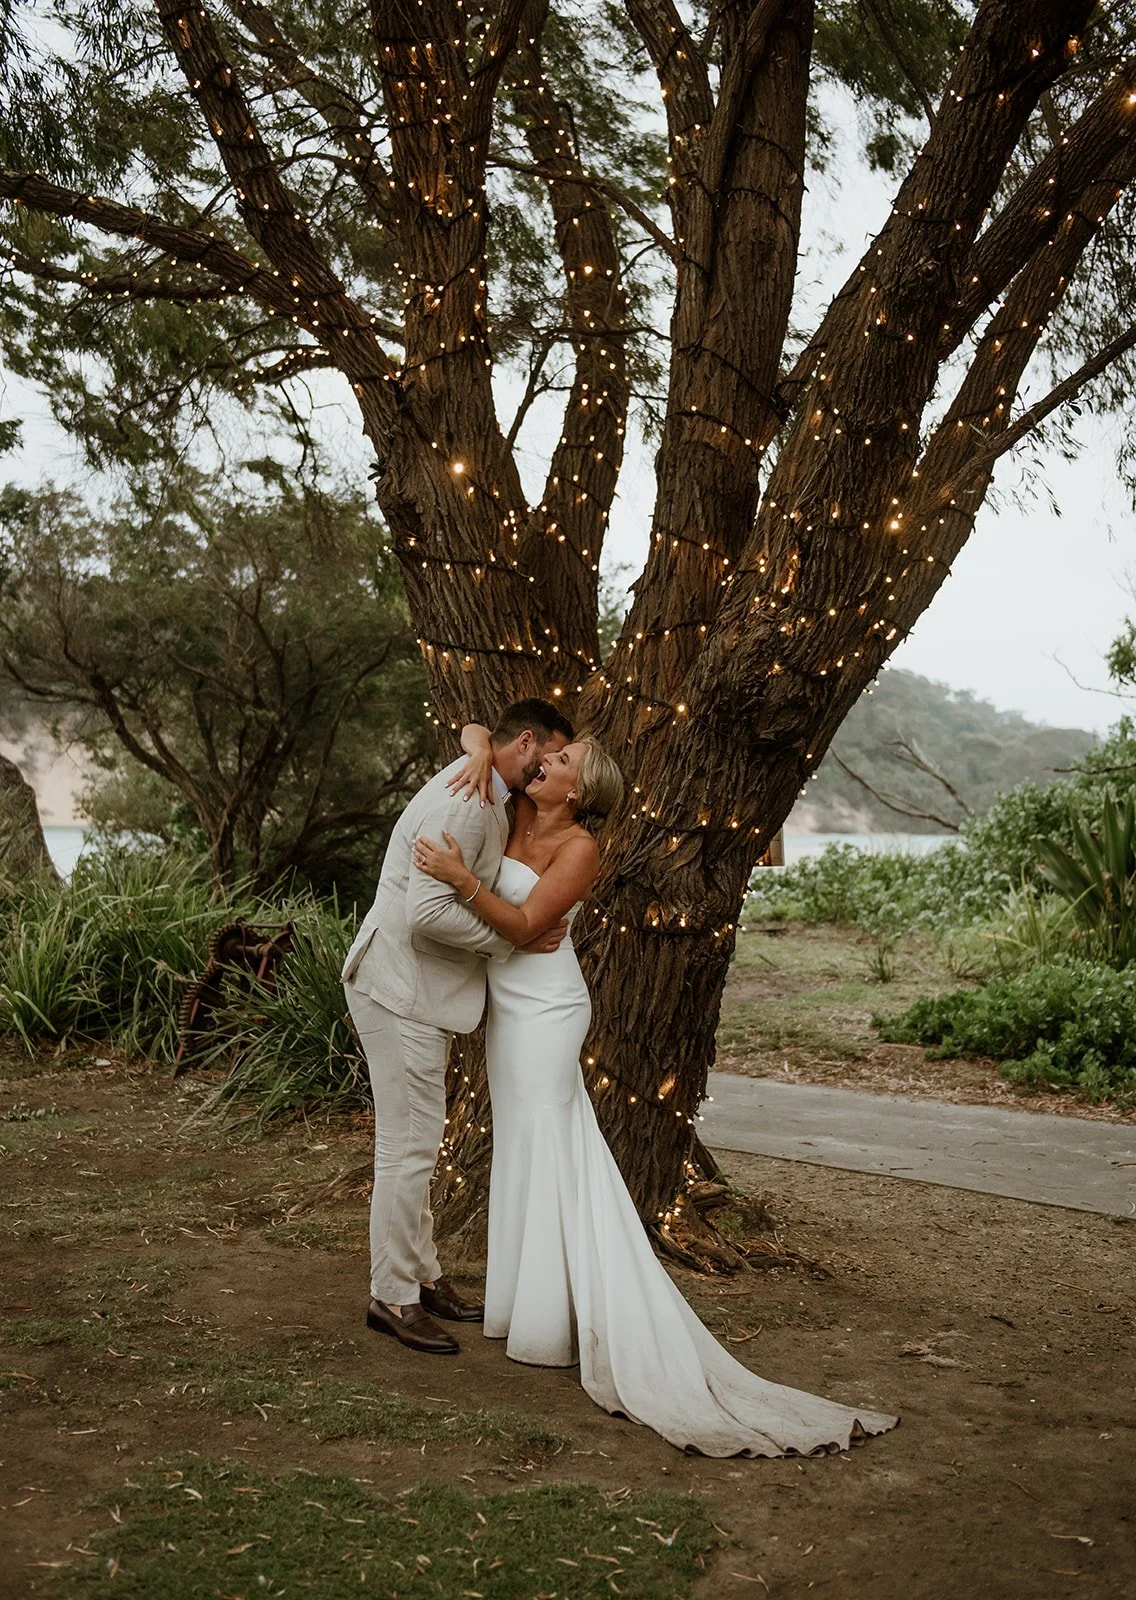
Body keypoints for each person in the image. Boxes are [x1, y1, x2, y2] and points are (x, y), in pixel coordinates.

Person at [413, 724, 899, 1457]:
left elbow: (520, 927)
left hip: (547, 1010)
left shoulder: (581, 850)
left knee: (552, 1143)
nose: (546, 761)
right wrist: (482, 747)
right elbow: (478, 729)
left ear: (580, 790)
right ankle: (527, 1307)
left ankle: (562, 1321)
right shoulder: (513, 812)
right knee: (522, 1143)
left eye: (563, 760)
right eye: (548, 753)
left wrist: (461, 881)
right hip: (507, 1013)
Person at [342, 698, 574, 1355]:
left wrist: (477, 743)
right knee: (409, 1147)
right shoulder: (468, 803)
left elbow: (480, 739)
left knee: (418, 1140)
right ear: (526, 743)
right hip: (399, 988)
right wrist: (513, 943)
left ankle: (421, 1274)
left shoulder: (485, 785)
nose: (549, 768)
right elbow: (426, 915)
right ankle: (392, 1296)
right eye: (551, 754)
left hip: (413, 990)